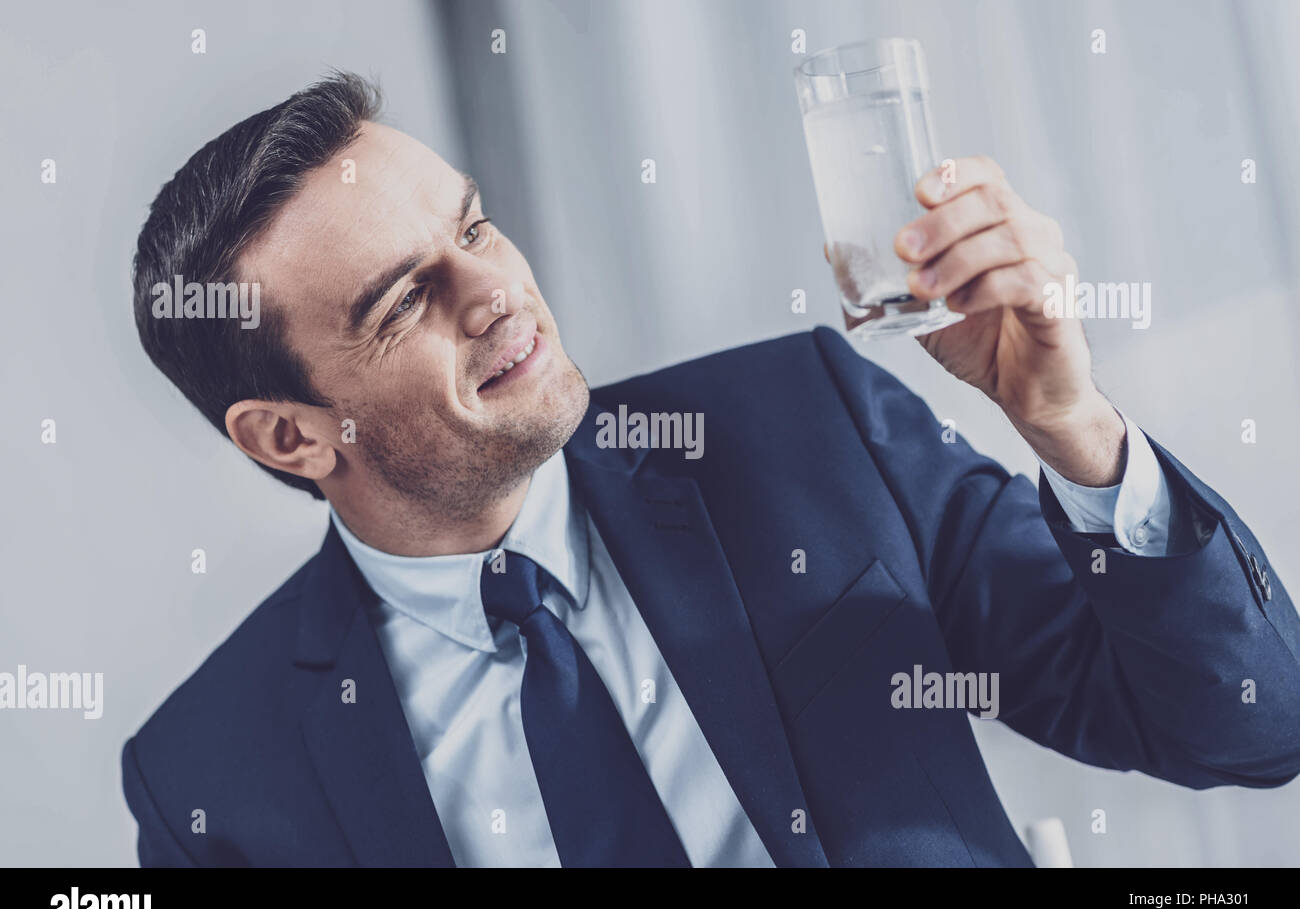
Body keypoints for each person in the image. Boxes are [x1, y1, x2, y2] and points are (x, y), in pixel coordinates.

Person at [122, 72, 1300, 867]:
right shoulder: (210, 779)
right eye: (399, 300)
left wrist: (1068, 421)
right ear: (290, 437)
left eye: (473, 230)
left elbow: (1247, 731)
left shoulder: (805, 431)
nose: (495, 293)